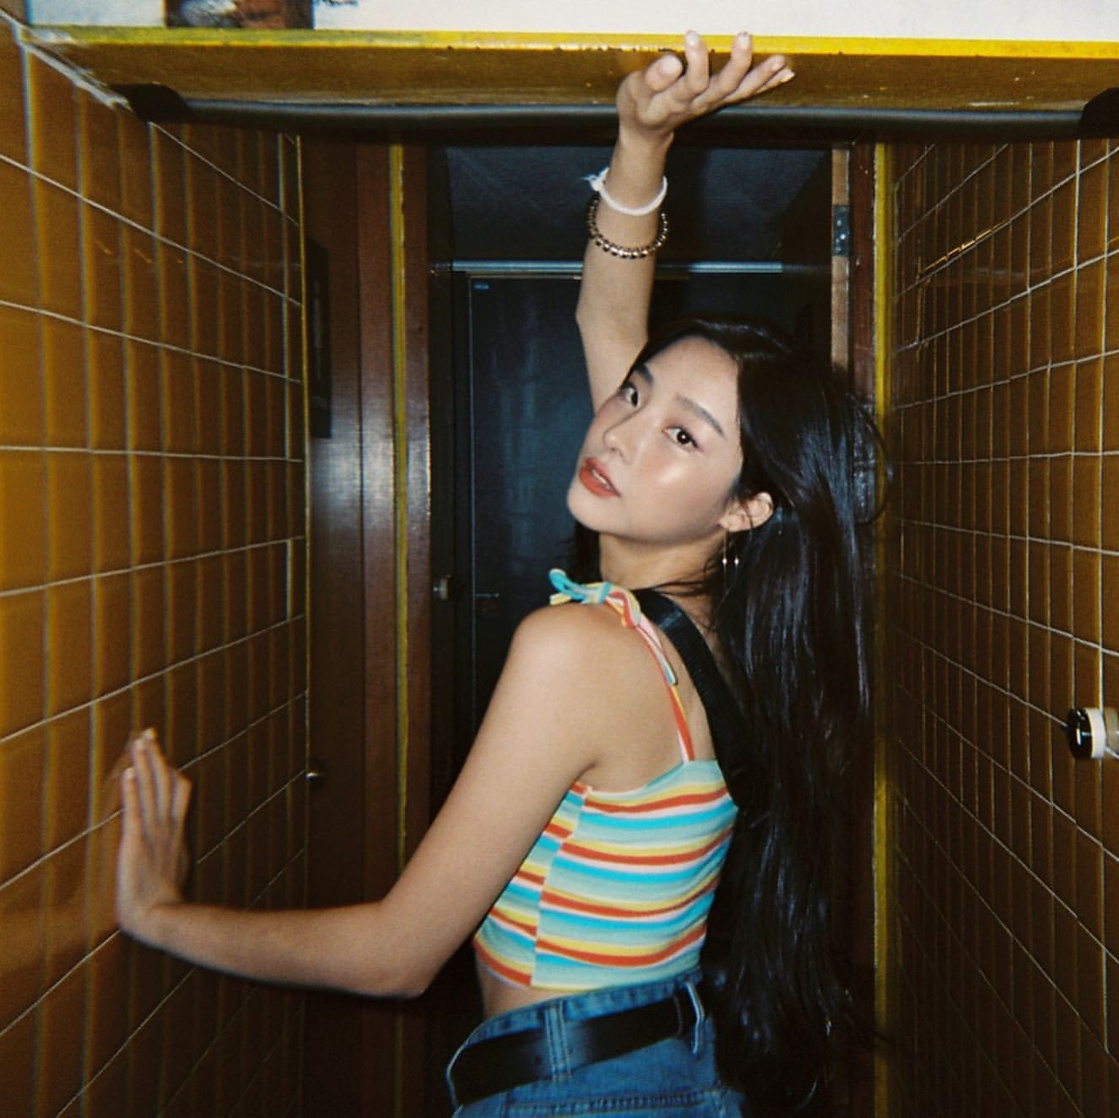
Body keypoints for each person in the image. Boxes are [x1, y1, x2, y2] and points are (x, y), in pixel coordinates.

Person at [116, 31, 878, 1116]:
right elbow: (608, 318)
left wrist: (160, 914)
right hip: (662, 1054)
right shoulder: (719, 623)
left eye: (682, 435)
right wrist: (640, 141)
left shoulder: (585, 650)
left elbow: (396, 953)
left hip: (581, 1088)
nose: (618, 433)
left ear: (746, 505)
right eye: (635, 396)